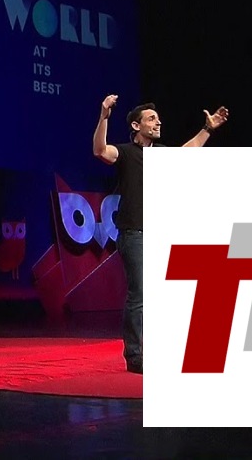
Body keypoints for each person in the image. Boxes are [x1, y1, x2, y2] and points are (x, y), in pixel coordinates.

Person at [92, 95, 230, 374]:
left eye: (158, 119)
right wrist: (104, 116)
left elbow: (188, 151)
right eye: (151, 119)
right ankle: (134, 355)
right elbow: (100, 151)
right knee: (139, 294)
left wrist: (208, 129)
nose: (158, 123)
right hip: (134, 234)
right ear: (136, 125)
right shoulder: (126, 153)